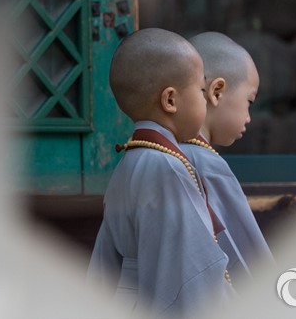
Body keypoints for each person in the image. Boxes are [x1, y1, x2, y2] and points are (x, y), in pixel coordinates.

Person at [88, 28, 234, 317]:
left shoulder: (130, 160)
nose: (205, 101)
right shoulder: (167, 167)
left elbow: (104, 263)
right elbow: (193, 277)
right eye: (200, 91)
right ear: (170, 101)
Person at [180, 32, 273, 284]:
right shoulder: (207, 165)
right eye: (249, 101)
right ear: (217, 92)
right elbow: (252, 260)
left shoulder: (150, 154)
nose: (249, 117)